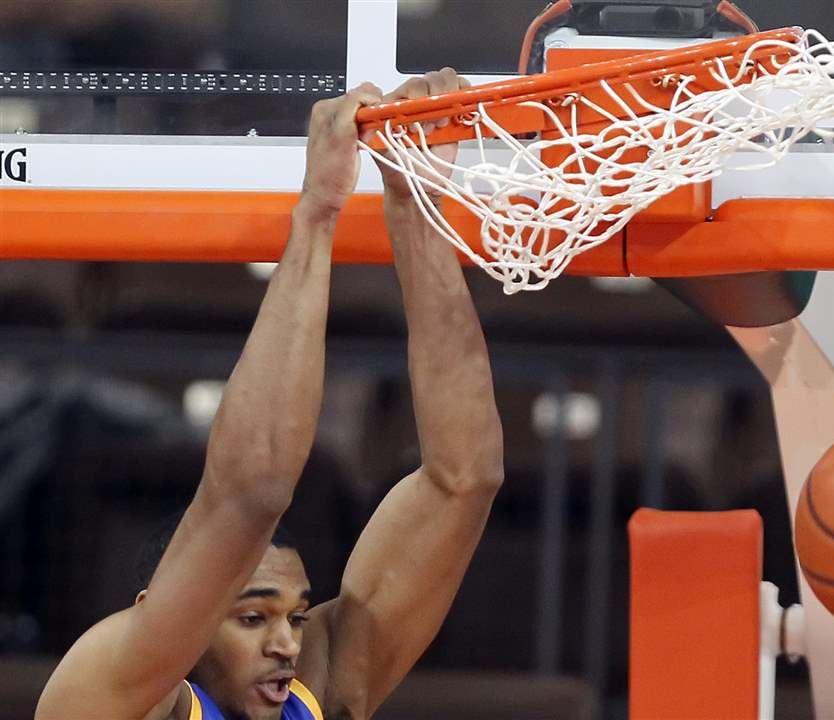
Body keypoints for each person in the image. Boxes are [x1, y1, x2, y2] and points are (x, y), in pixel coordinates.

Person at [36, 67, 504, 720]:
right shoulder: (103, 696)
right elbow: (252, 491)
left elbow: (465, 478)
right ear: (165, 614)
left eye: (296, 617)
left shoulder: (316, 692)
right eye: (253, 617)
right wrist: (316, 212)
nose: (286, 644)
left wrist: (417, 205)